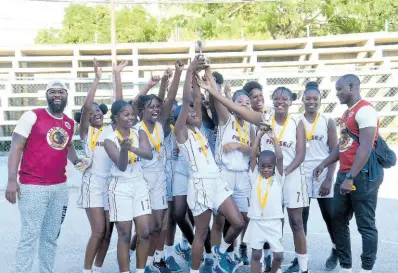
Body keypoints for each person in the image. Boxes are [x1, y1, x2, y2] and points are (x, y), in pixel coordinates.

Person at [202, 82, 309, 273]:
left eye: (285, 99)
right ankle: (263, 257)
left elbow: (300, 155)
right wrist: (212, 91)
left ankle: (303, 268)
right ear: (272, 101)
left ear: (291, 102)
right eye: (277, 98)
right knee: (265, 217)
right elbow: (235, 108)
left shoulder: (296, 122)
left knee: (295, 222)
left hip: (288, 176)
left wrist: (283, 173)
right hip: (266, 177)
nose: (280, 102)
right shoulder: (263, 119)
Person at [5, 80, 91, 273]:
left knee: (51, 237)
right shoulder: (32, 116)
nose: (57, 95)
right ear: (47, 95)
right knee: (30, 236)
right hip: (33, 186)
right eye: (53, 92)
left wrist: (78, 163)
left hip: (59, 187)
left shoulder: (69, 123)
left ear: (67, 96)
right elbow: (16, 146)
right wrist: (11, 180)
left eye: (61, 92)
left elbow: (67, 146)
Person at [178, 59, 245, 273]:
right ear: (180, 117)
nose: (194, 111)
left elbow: (196, 98)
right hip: (200, 184)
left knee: (238, 222)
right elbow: (188, 99)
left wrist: (199, 79)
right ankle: (195, 271)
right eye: (189, 111)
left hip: (216, 181)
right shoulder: (181, 132)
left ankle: (220, 254)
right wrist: (188, 71)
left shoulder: (197, 129)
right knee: (201, 234)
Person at [314, 74, 382, 273]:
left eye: (339, 89)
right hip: (345, 175)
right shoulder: (347, 114)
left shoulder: (365, 110)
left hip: (362, 176)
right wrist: (324, 163)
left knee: (365, 225)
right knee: (337, 219)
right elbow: (342, 146)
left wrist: (350, 176)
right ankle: (346, 266)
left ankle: (366, 269)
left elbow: (366, 147)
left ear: (352, 86)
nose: (336, 94)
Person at [135, 63, 180, 273]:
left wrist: (177, 74)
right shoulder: (136, 128)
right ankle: (139, 265)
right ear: (141, 110)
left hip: (159, 180)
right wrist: (152, 85)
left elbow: (168, 100)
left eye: (156, 107)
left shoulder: (161, 125)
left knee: (157, 226)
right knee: (144, 230)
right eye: (150, 107)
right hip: (141, 181)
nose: (154, 110)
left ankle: (150, 261)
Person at [74, 60, 118, 273]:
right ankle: (86, 270)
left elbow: (119, 102)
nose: (95, 114)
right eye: (91, 113)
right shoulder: (86, 133)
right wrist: (97, 79)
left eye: (98, 111)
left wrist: (116, 75)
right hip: (93, 184)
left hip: (111, 185)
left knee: (109, 232)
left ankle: (98, 269)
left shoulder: (112, 129)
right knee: (98, 230)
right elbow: (85, 109)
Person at [104, 99, 153, 273]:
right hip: (120, 188)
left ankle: (140, 270)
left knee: (145, 232)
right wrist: (124, 149)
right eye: (126, 114)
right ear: (116, 117)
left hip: (139, 185)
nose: (130, 117)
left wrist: (131, 148)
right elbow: (122, 166)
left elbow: (148, 154)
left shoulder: (139, 132)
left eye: (132, 114)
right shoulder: (109, 140)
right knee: (124, 234)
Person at [212, 88, 255, 267]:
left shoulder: (250, 125)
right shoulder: (226, 119)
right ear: (232, 104)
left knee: (244, 219)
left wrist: (238, 145)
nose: (244, 105)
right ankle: (213, 259)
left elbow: (254, 151)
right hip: (225, 174)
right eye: (240, 102)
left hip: (243, 176)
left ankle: (222, 251)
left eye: (247, 103)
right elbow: (216, 98)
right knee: (220, 220)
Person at [300, 82, 338, 271]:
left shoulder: (327, 121)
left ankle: (336, 249)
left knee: (330, 215)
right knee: (301, 218)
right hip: (303, 174)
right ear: (302, 100)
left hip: (323, 172)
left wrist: (329, 178)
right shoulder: (297, 120)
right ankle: (301, 257)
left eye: (315, 98)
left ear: (321, 101)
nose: (311, 101)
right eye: (308, 98)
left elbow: (334, 151)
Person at [244, 125, 284, 273]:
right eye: (263, 166)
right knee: (255, 253)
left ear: (274, 167)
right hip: (256, 221)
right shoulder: (255, 177)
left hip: (274, 222)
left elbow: (279, 157)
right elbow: (253, 155)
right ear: (259, 166)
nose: (266, 169)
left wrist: (274, 139)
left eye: (269, 166)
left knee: (278, 255)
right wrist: (259, 135)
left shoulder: (279, 178)